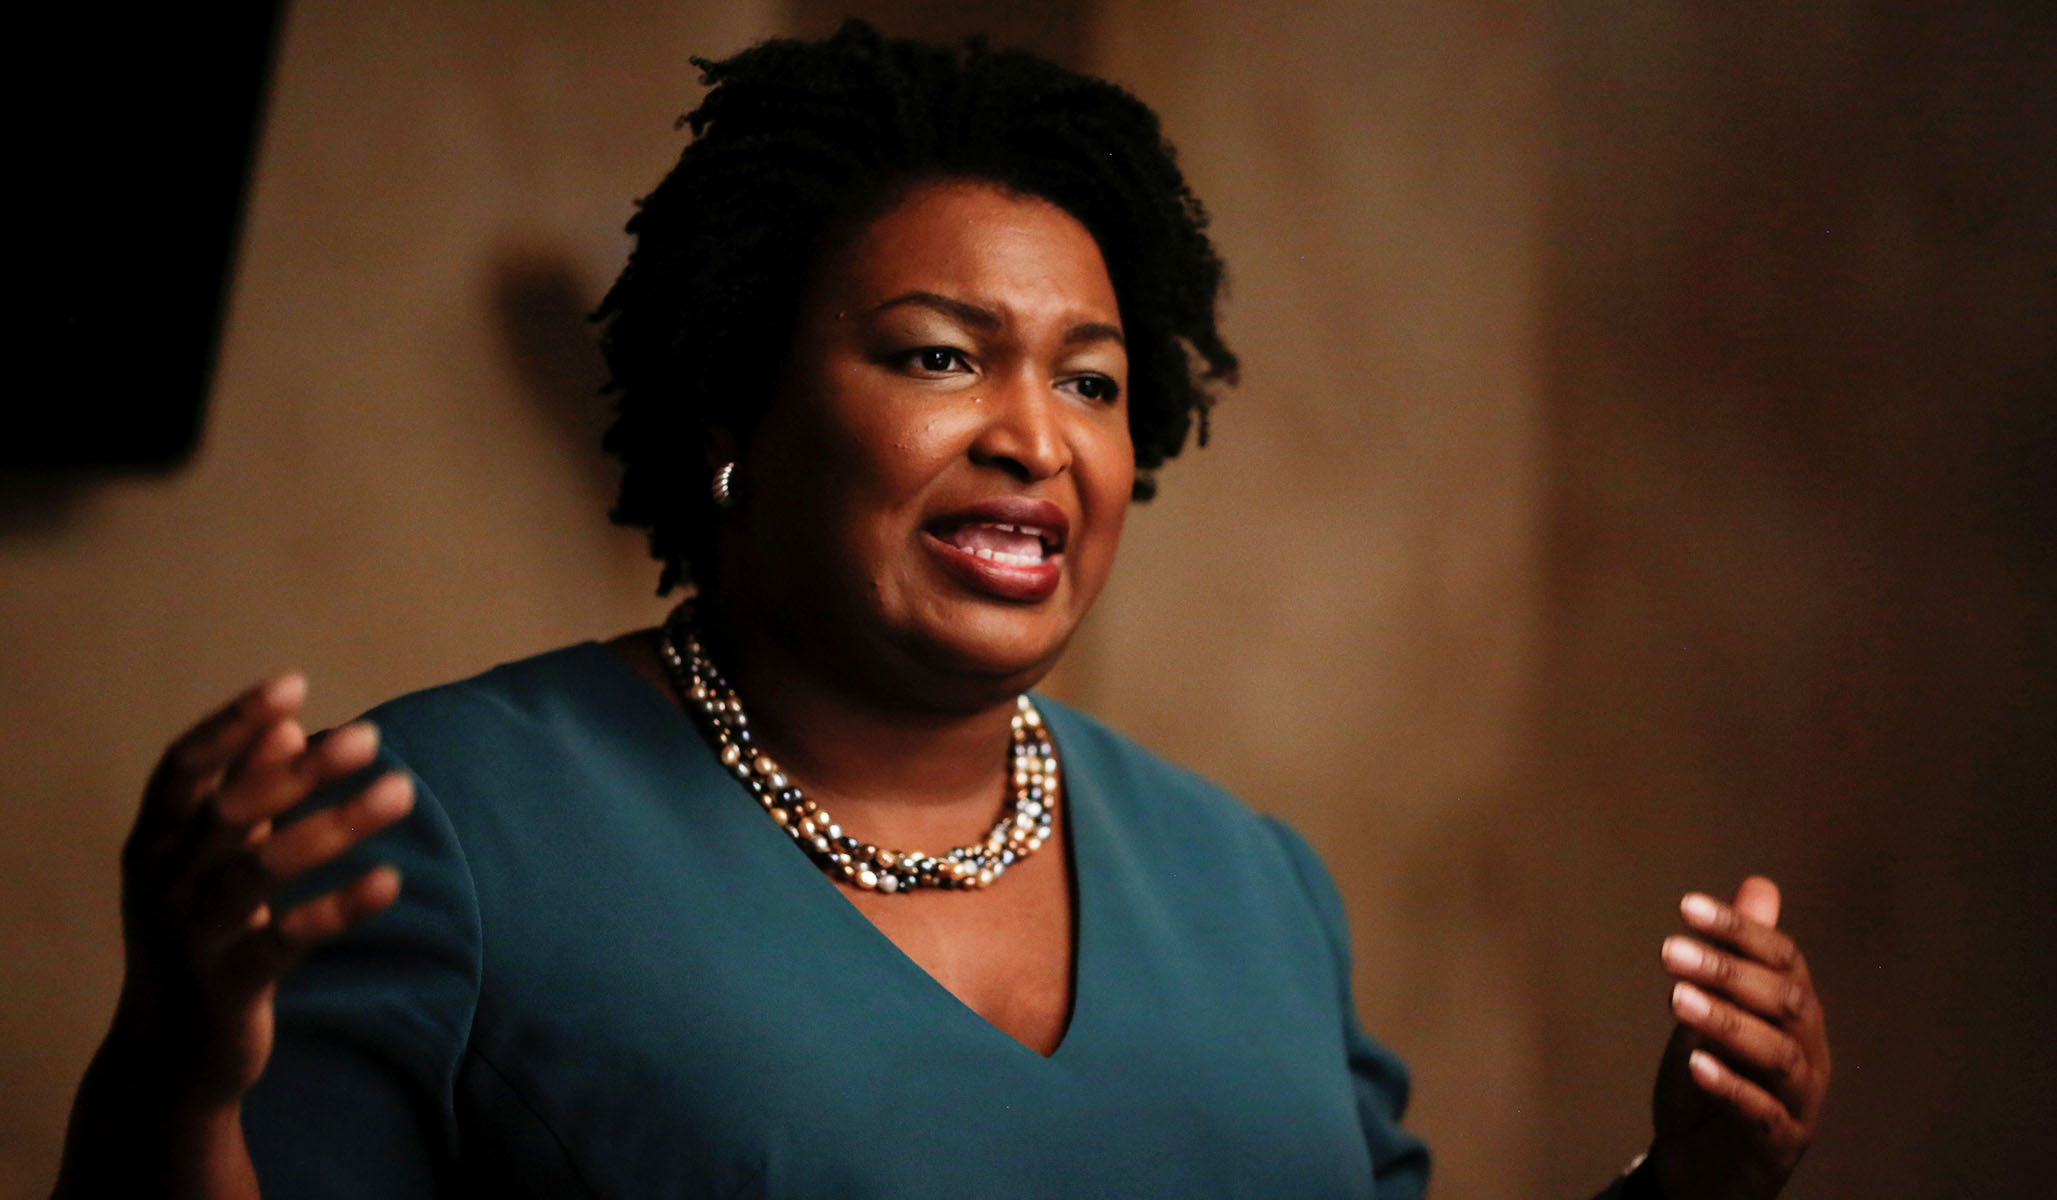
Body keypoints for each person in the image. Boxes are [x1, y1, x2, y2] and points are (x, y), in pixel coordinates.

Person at [55, 23, 1829, 1199]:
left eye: (1091, 381)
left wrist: (1684, 1188)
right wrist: (173, 1076)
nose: (1031, 440)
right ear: (738, 405)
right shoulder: (439, 829)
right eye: (936, 356)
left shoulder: (1254, 889)